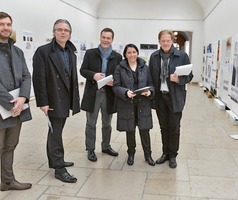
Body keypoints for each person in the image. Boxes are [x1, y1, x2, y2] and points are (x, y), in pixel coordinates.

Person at [32, 19, 80, 183]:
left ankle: (55, 160)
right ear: (54, 32)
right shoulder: (43, 51)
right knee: (55, 134)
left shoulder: (70, 51)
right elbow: (38, 78)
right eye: (59, 29)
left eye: (66, 30)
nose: (63, 32)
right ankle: (59, 168)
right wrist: (43, 102)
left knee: (55, 132)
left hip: (66, 98)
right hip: (53, 99)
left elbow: (71, 75)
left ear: (70, 33)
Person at [149, 30, 193, 168]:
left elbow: (190, 76)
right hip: (160, 97)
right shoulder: (154, 56)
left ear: (172, 41)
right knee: (163, 127)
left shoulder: (182, 56)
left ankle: (173, 155)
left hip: (175, 97)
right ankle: (165, 153)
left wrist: (179, 79)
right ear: (159, 41)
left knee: (174, 127)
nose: (166, 43)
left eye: (168, 40)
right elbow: (150, 76)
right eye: (163, 40)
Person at [0, 11, 32, 191]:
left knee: (10, 145)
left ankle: (7, 181)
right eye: (1, 24)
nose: (5, 27)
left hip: (17, 107)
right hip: (4, 106)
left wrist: (23, 98)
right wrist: (11, 101)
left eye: (8, 24)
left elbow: (26, 75)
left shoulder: (17, 51)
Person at [80, 28, 122, 162]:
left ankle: (106, 146)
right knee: (91, 123)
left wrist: (114, 82)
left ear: (112, 40)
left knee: (107, 123)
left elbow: (119, 74)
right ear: (100, 37)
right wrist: (94, 75)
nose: (105, 40)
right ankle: (90, 149)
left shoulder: (117, 57)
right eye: (103, 37)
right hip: (93, 93)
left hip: (109, 94)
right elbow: (82, 70)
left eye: (108, 38)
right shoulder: (90, 53)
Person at [113, 44, 155, 166]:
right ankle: (131, 153)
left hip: (143, 103)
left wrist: (150, 91)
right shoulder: (119, 68)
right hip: (128, 103)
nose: (132, 55)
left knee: (144, 130)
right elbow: (116, 87)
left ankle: (148, 155)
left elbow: (151, 83)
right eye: (129, 52)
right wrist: (125, 92)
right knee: (130, 130)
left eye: (134, 52)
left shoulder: (144, 67)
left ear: (137, 53)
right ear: (125, 55)